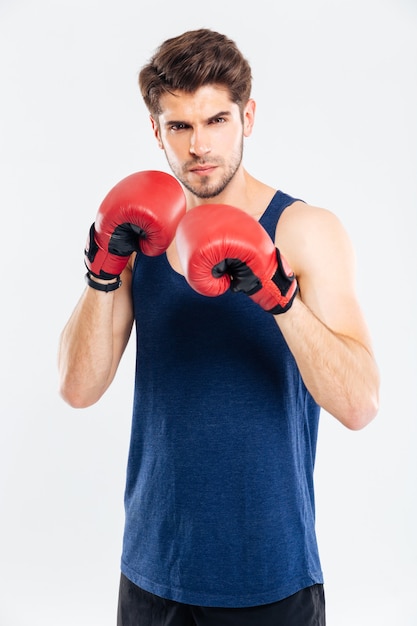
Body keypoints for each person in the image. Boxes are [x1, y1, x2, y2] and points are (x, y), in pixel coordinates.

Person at [58, 28, 380, 626]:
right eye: (179, 126)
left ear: (248, 117)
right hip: (153, 572)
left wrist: (279, 297)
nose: (199, 146)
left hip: (271, 572)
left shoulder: (304, 230)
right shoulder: (138, 236)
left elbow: (361, 403)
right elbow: (78, 390)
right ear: (156, 130)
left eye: (217, 120)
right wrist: (103, 269)